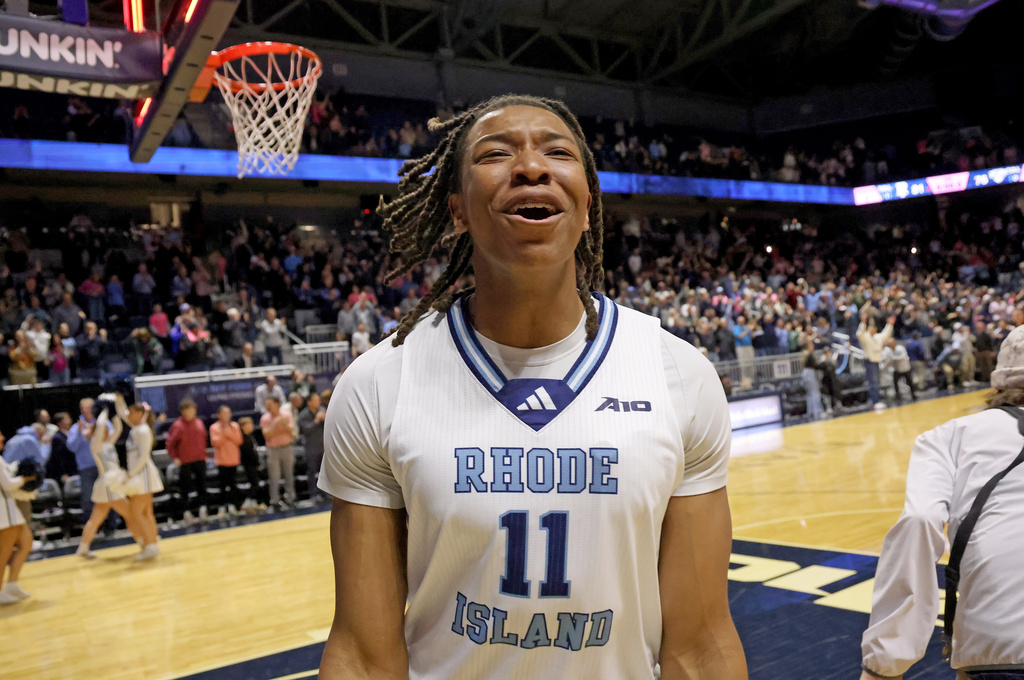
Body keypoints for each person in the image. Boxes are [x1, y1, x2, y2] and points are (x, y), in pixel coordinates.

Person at [318, 96, 746, 679]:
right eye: (496, 154)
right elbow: (364, 658)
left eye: (557, 152)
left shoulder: (678, 374)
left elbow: (699, 645)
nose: (531, 167)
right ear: (458, 210)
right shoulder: (378, 383)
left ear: (588, 204)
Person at [860, 325, 1024, 679]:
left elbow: (919, 522)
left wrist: (884, 665)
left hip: (995, 646)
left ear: (1000, 380)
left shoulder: (950, 436)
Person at [75, 406, 139, 559]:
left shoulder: (109, 443)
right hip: (107, 485)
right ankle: (144, 541)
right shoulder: (95, 445)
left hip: (111, 485)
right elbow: (102, 425)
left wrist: (115, 411)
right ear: (98, 432)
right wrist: (104, 409)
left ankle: (82, 548)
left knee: (95, 519)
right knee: (131, 514)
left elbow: (118, 427)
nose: (107, 431)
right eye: (103, 430)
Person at [113, 395, 162, 560]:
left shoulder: (143, 430)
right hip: (138, 476)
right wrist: (118, 399)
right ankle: (151, 544)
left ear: (139, 414)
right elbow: (122, 413)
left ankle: (150, 545)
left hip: (143, 475)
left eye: (131, 412)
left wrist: (130, 474)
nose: (128, 415)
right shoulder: (136, 428)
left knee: (136, 512)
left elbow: (143, 457)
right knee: (145, 512)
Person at [0, 432, 35, 605]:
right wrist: (26, 478)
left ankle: (12, 584)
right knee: (3, 553)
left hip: (11, 510)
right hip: (3, 513)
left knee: (27, 542)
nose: (2, 438)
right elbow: (8, 484)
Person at [166, 399, 209, 525]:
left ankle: (203, 510)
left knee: (202, 486)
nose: (192, 412)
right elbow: (170, 444)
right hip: (185, 461)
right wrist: (175, 457)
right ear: (183, 412)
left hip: (200, 459)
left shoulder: (199, 422)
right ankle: (186, 513)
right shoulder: (178, 425)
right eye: (189, 409)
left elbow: (203, 439)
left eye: (193, 409)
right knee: (185, 488)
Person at [260, 396, 295, 510]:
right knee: (274, 476)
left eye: (270, 404)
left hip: (287, 447)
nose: (268, 406)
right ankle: (274, 501)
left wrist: (284, 424)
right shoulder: (265, 418)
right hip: (273, 449)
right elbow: (266, 434)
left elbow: (292, 431)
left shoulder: (286, 414)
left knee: (289, 474)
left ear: (277, 404)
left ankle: (290, 498)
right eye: (267, 404)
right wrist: (274, 424)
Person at [209, 405, 243, 517]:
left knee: (233, 485)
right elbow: (216, 442)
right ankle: (223, 508)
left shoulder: (235, 425)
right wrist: (224, 433)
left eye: (228, 413)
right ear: (219, 415)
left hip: (233, 459)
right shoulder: (214, 427)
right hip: (222, 461)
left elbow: (238, 440)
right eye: (224, 413)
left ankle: (235, 506)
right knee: (223, 486)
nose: (226, 415)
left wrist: (227, 434)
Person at [857, 313, 895, 410]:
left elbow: (885, 334)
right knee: (873, 383)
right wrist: (863, 323)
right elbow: (859, 334)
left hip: (876, 362)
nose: (872, 329)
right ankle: (875, 401)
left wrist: (890, 324)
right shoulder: (865, 337)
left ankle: (875, 400)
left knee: (876, 382)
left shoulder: (878, 337)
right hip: (869, 362)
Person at [297, 392, 326, 504]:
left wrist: (326, 418)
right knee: (312, 472)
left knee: (325, 472)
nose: (318, 402)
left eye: (318, 400)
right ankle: (314, 494)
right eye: (315, 400)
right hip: (311, 448)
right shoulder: (303, 415)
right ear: (309, 402)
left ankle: (326, 493)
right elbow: (305, 430)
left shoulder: (322, 410)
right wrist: (316, 420)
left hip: (323, 447)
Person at [237, 417, 264, 512]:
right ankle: (247, 503)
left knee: (255, 483)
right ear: (243, 427)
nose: (251, 426)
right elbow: (250, 453)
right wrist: (257, 463)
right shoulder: (243, 438)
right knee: (254, 484)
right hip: (249, 464)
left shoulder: (249, 436)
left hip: (252, 464)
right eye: (249, 424)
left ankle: (253, 503)